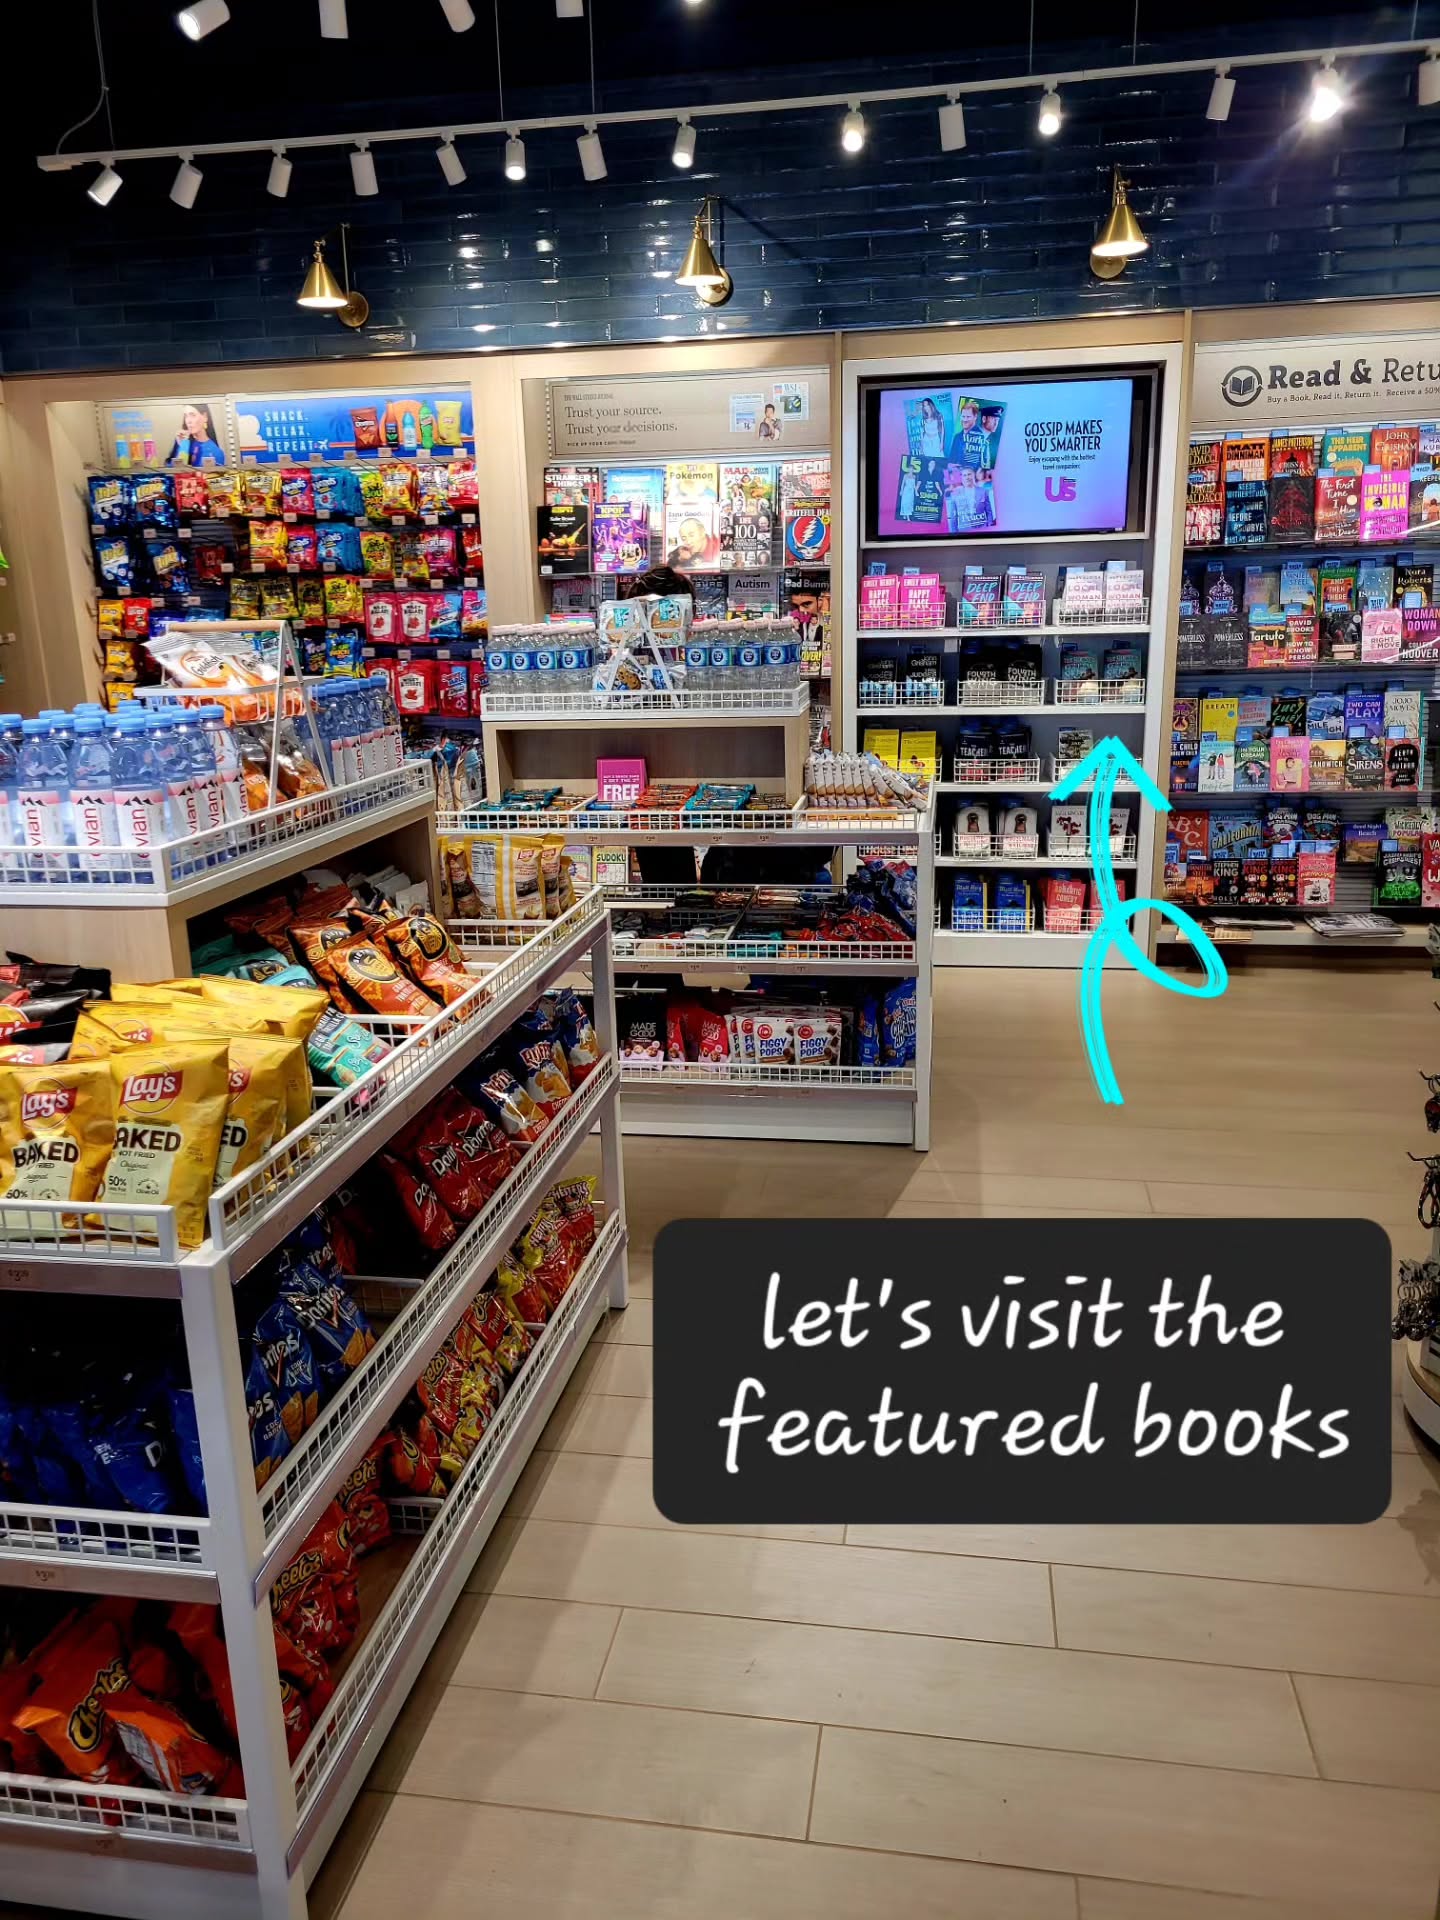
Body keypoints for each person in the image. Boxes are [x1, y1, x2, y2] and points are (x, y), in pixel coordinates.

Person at [166, 402, 224, 467]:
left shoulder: (215, 452)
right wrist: (182, 446)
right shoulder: (185, 442)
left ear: (205, 417)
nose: (188, 421)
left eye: (192, 415)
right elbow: (172, 471)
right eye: (186, 416)